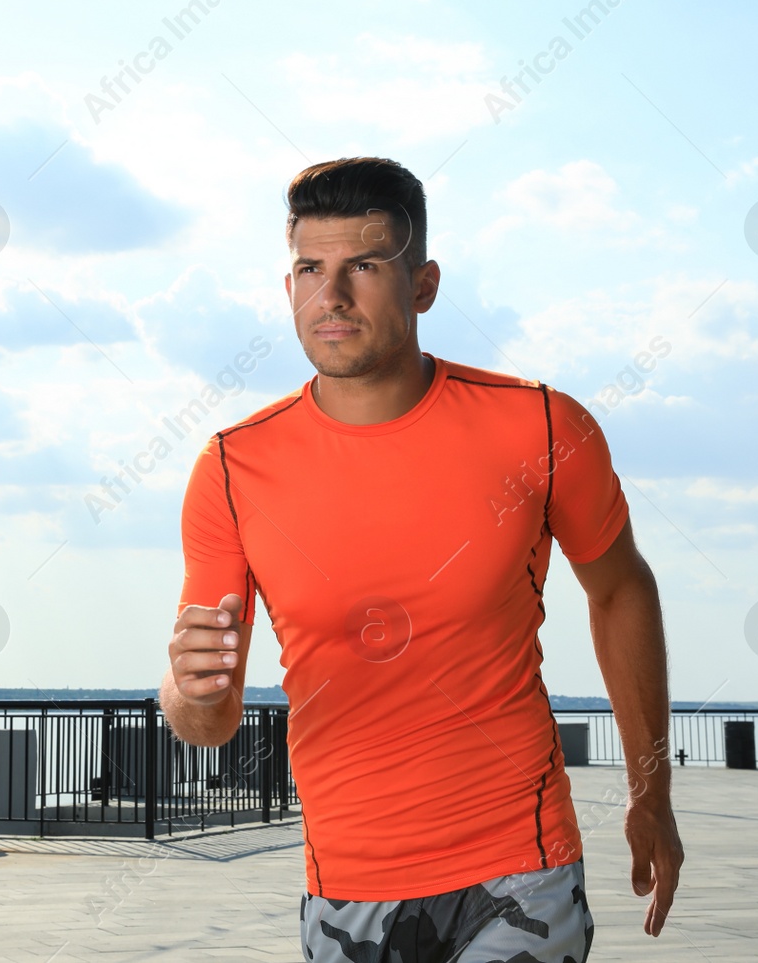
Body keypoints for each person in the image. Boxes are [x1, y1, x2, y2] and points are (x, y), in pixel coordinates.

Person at [159, 157, 683, 962]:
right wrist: (185, 690)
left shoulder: (540, 428)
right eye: (310, 269)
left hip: (521, 866)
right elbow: (210, 717)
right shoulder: (233, 467)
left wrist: (653, 789)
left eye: (363, 266)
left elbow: (620, 589)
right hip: (347, 885)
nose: (330, 296)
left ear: (424, 284)